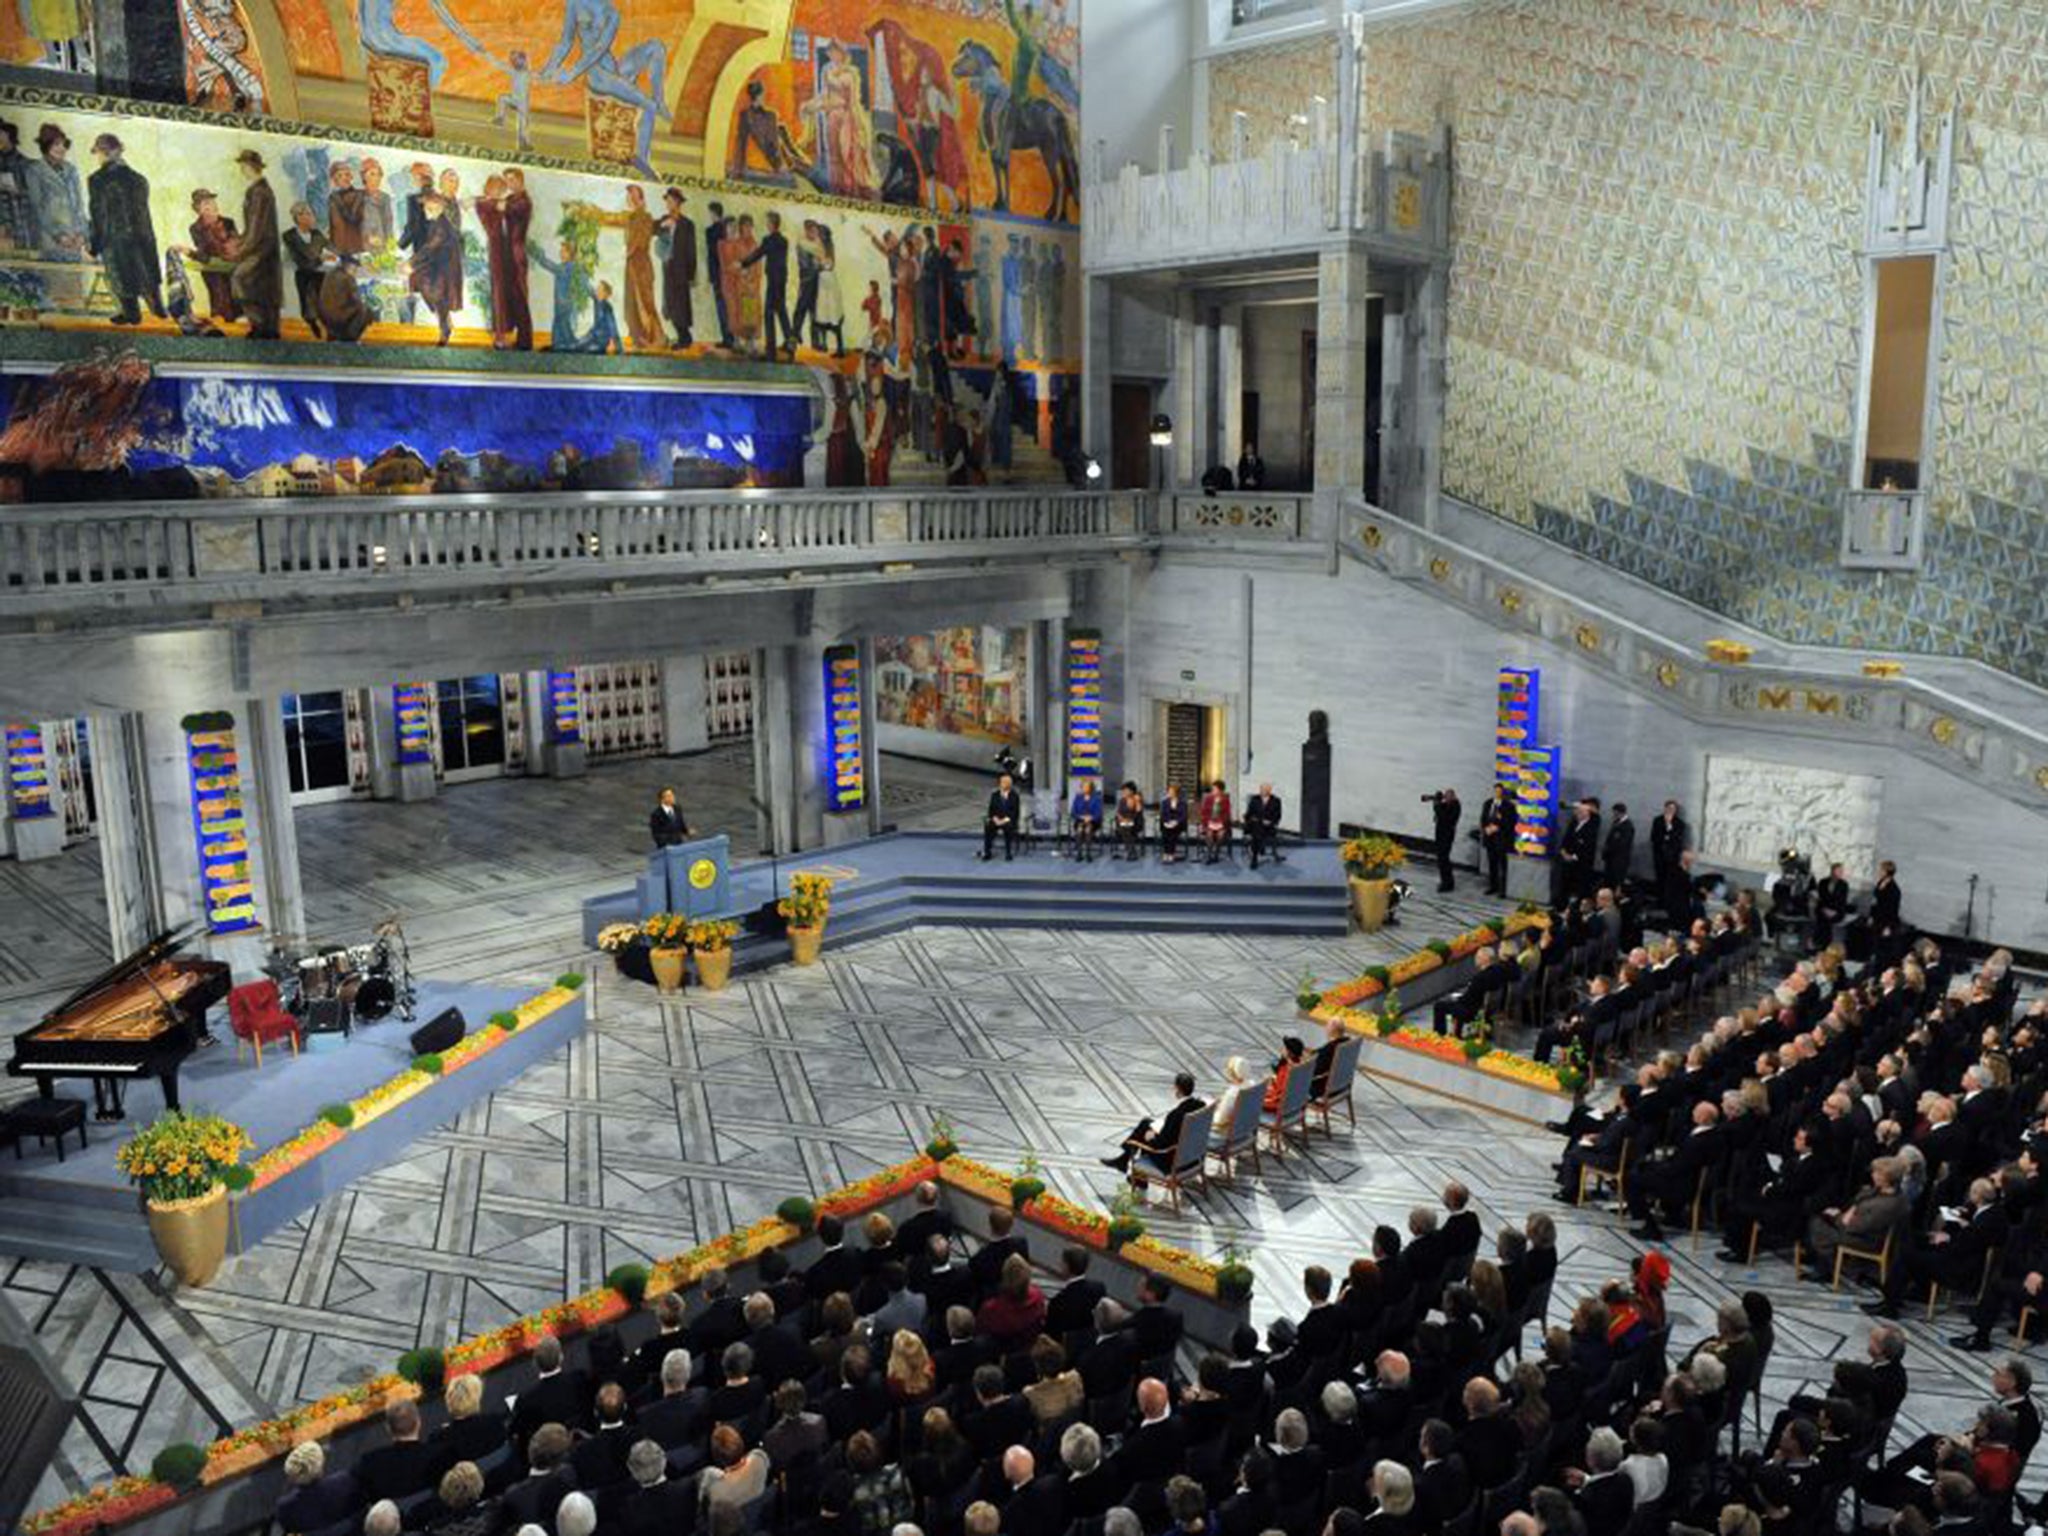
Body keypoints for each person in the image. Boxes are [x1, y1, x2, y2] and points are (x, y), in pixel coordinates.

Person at [85, 133, 162, 325]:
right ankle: (157, 306)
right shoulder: (139, 179)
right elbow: (143, 214)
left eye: (99, 153)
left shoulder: (97, 180)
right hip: (143, 237)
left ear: (103, 153)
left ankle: (132, 314)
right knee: (145, 272)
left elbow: (99, 215)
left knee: (121, 276)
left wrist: (93, 246)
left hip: (115, 238)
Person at [1104, 1071, 1205, 1181]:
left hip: (1172, 1161)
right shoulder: (1201, 1106)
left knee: (1143, 1137)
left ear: (1177, 1088)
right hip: (1194, 1157)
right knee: (1146, 1123)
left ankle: (1136, 1178)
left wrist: (1150, 1137)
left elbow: (1160, 1145)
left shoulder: (1176, 1115)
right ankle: (1123, 1160)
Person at [229, 148, 281, 339]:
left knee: (240, 278)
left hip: (261, 249)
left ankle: (260, 326)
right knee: (264, 290)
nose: (242, 170)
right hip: (262, 247)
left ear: (251, 167)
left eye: (243, 166)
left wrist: (241, 250)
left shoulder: (259, 192)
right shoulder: (259, 190)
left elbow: (257, 228)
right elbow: (252, 226)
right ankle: (265, 329)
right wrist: (240, 241)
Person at [741, 209, 796, 359]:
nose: (766, 224)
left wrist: (743, 263)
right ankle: (790, 343)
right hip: (782, 280)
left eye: (767, 222)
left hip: (773, 281)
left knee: (769, 314)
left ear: (772, 224)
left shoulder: (769, 240)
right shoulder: (784, 241)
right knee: (782, 311)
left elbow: (758, 253)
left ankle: (770, 350)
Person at [281, 201, 333, 337]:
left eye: (312, 214)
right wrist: (320, 258)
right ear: (299, 217)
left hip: (319, 273)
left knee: (324, 301)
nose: (312, 218)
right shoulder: (290, 236)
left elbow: (330, 248)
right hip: (303, 274)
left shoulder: (316, 234)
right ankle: (313, 325)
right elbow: (303, 257)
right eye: (309, 214)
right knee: (307, 304)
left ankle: (326, 328)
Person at [656, 187, 694, 348]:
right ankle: (683, 337)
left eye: (671, 200)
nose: (668, 203)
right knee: (670, 304)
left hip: (681, 270)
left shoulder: (687, 224)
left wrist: (691, 274)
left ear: (678, 202)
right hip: (668, 268)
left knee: (681, 306)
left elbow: (691, 250)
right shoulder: (664, 219)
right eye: (667, 200)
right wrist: (664, 225)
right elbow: (653, 230)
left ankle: (684, 338)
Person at [1480, 783, 1515, 896]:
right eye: (1496, 791)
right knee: (1492, 864)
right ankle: (1493, 886)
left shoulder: (1509, 806)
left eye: (1500, 791)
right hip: (1490, 838)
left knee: (1502, 865)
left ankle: (1503, 889)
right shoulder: (1488, 803)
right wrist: (1486, 829)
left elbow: (1511, 823)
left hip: (1502, 840)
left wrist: (1499, 825)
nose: (1498, 793)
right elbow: (1483, 818)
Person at [1426, 787, 1461, 892]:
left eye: (1448, 796)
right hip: (1441, 834)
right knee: (1442, 859)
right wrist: (1436, 801)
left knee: (1444, 859)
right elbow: (1438, 815)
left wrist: (1437, 805)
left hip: (1447, 836)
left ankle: (1447, 883)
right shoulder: (1447, 804)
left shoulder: (1455, 805)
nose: (1445, 798)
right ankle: (1445, 881)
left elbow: (1444, 817)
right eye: (1445, 796)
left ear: (1453, 796)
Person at [982, 771, 1021, 861]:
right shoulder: (994, 795)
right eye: (1001, 782)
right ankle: (987, 852)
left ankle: (1008, 853)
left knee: (1008, 828)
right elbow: (991, 810)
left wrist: (1004, 820)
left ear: (1008, 784)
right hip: (996, 819)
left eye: (1004, 783)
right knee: (988, 827)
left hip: (1008, 820)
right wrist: (995, 818)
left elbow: (1015, 812)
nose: (1001, 784)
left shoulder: (1014, 796)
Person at [1244, 782, 1283, 868]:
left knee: (1257, 833)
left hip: (1268, 827)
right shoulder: (1255, 799)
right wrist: (1252, 819)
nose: (1262, 791)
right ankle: (1256, 855)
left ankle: (1255, 856)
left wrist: (1271, 822)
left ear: (1269, 790)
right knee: (1257, 828)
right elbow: (1248, 814)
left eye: (1265, 790)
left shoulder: (1276, 801)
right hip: (1255, 824)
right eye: (1261, 789)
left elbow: (1278, 815)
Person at [1650, 800, 1688, 886]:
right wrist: (1665, 832)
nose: (1671, 811)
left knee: (1670, 879)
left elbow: (1678, 840)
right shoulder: (1657, 821)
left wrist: (1669, 828)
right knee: (1659, 877)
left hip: (1672, 856)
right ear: (1665, 809)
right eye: (1669, 808)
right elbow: (1653, 837)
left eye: (1673, 809)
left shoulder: (1679, 823)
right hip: (1659, 854)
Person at [1813, 863, 1851, 949]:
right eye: (1839, 870)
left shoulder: (1843, 885)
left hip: (1837, 910)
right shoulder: (1823, 882)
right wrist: (1825, 909)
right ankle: (1820, 944)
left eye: (1842, 871)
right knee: (1822, 919)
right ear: (1833, 871)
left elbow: (1842, 901)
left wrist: (1833, 911)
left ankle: (1825, 944)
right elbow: (1821, 898)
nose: (1841, 872)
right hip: (1823, 909)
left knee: (1828, 920)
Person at [1199, 779, 1233, 864]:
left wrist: (1221, 823)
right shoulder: (1208, 798)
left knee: (1220, 835)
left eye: (1215, 789)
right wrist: (1208, 822)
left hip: (1221, 823)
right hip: (1209, 822)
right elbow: (1204, 812)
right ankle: (1209, 854)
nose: (1213, 790)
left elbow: (1227, 814)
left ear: (1220, 790)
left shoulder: (1225, 800)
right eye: (1213, 789)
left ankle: (1216, 853)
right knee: (1209, 833)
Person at [1603, 803, 1635, 892]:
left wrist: (1610, 849)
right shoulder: (1616, 822)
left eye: (1614, 813)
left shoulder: (1628, 826)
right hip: (1611, 858)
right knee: (1608, 881)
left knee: (1616, 882)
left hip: (1619, 859)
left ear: (1619, 812)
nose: (1613, 815)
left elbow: (1623, 843)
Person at [1069, 777, 1102, 862]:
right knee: (1080, 830)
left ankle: (1088, 853)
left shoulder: (1096, 798)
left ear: (1091, 787)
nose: (1085, 788)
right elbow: (1073, 812)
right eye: (1083, 786)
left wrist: (1091, 818)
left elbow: (1098, 813)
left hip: (1093, 821)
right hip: (1080, 820)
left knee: (1088, 829)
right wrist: (1081, 817)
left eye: (1087, 786)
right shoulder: (1078, 797)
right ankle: (1079, 853)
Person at [1114, 781, 1146, 860]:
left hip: (1135, 822)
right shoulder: (1122, 800)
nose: (1124, 792)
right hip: (1123, 822)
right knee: (1124, 827)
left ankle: (1130, 851)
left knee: (1127, 828)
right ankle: (1132, 851)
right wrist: (1122, 818)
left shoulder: (1138, 799)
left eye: (1126, 790)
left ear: (1132, 791)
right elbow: (1118, 813)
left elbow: (1139, 812)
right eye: (1123, 790)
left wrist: (1138, 801)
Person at [1159, 784, 1188, 864]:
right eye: (1169, 791)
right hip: (1167, 822)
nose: (1169, 793)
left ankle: (1171, 854)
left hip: (1178, 823)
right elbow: (1163, 814)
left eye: (1171, 792)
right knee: (1165, 834)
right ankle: (1166, 853)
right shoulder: (1165, 802)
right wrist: (1167, 822)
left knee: (1172, 834)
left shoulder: (1182, 803)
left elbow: (1184, 815)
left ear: (1176, 793)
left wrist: (1176, 822)